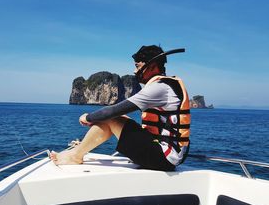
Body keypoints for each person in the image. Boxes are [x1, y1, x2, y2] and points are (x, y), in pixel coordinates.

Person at [50, 45, 191, 171]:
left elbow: (112, 111)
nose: (135, 71)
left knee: (112, 118)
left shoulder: (159, 88)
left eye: (138, 66)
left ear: (153, 66)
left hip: (163, 159)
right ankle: (78, 153)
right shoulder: (165, 85)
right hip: (166, 155)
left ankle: (75, 156)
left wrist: (87, 118)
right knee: (119, 119)